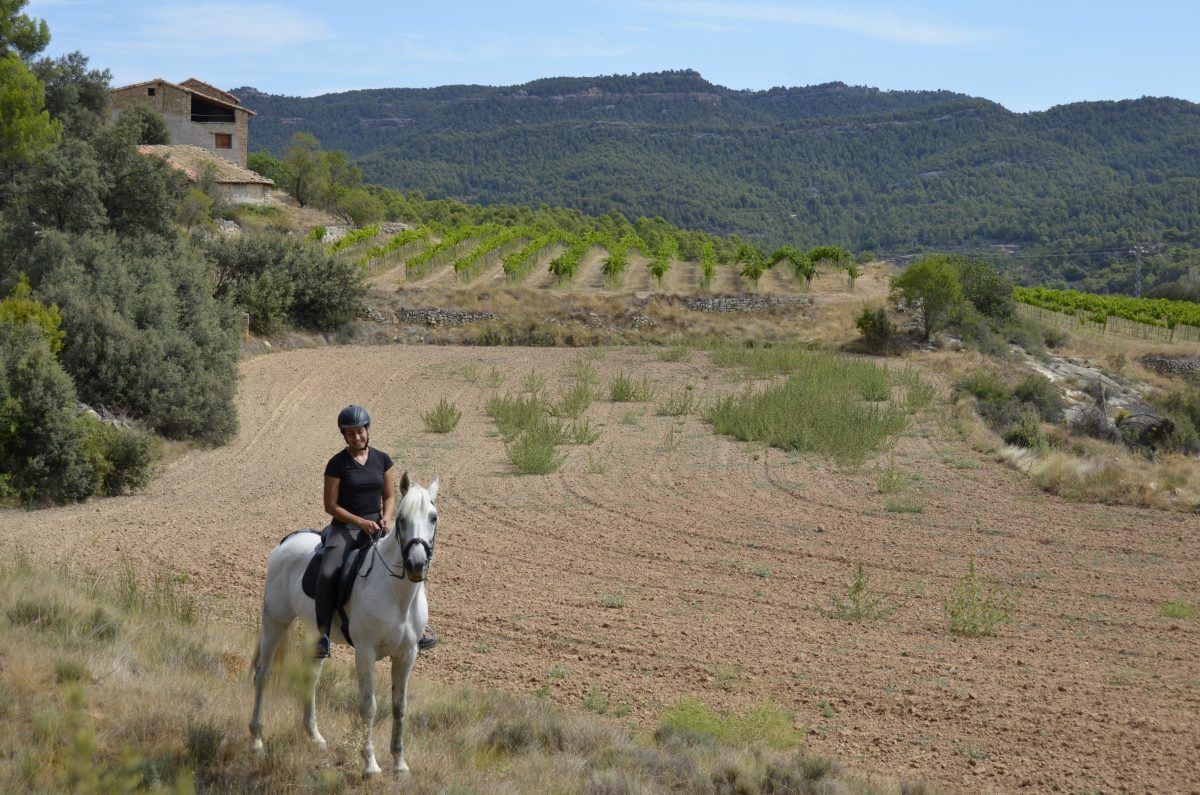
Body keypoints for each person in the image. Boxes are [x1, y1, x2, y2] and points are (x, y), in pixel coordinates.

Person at [316, 404, 439, 658]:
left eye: (360, 431)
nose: (356, 437)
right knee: (328, 570)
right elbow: (331, 505)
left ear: (367, 430)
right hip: (346, 529)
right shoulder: (337, 464)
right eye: (350, 434)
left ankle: (419, 628)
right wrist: (360, 522)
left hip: (378, 525)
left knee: (411, 560)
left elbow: (390, 496)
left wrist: (386, 517)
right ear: (344, 436)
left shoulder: (382, 460)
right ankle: (322, 635)